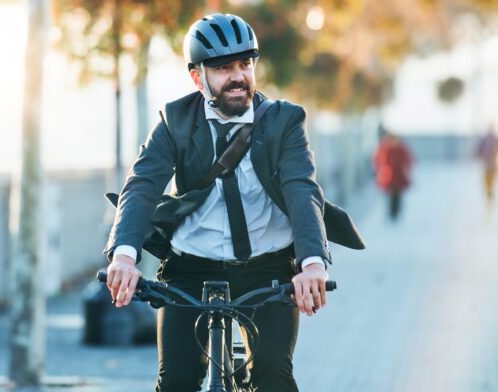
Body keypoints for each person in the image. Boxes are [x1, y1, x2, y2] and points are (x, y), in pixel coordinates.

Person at [102, 13, 339, 392]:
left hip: (267, 267)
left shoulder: (283, 121)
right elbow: (142, 186)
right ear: (198, 77)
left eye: (245, 64)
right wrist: (124, 257)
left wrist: (312, 264)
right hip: (190, 268)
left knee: (274, 377)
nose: (238, 76)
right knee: (175, 381)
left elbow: (301, 189)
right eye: (223, 67)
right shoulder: (175, 121)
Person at [373, 133, 413, 221]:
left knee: (398, 196)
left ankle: (396, 212)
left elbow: (408, 161)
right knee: (390, 196)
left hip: (399, 177)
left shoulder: (401, 149)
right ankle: (391, 213)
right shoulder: (384, 149)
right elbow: (378, 161)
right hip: (388, 177)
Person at [475, 125, 498, 204]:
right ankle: (490, 193)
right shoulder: (494, 138)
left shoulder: (485, 138)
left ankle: (489, 193)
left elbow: (479, 150)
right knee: (491, 179)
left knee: (488, 179)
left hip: (487, 163)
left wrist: (479, 156)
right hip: (492, 163)